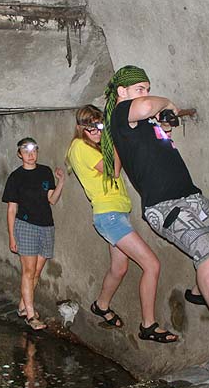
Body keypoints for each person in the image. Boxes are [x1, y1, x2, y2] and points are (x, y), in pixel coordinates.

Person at [100, 65, 209, 353]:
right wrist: (166, 102)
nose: (145, 93)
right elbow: (144, 106)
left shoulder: (144, 123)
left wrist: (163, 128)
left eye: (148, 88)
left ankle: (200, 291)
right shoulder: (120, 114)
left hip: (191, 197)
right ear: (122, 92)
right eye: (140, 88)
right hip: (165, 206)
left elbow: (157, 145)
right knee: (208, 252)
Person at [65, 105, 173, 342]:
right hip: (109, 216)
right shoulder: (79, 147)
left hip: (116, 213)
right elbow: (113, 170)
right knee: (152, 265)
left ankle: (101, 305)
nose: (96, 131)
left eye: (99, 126)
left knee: (119, 268)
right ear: (80, 128)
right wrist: (115, 137)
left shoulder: (92, 146)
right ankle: (148, 325)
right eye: (90, 127)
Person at [1, 137, 65, 330]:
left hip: (46, 226)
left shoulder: (45, 172)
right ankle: (30, 315)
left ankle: (23, 306)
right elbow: (12, 209)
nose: (30, 155)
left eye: (33, 150)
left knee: (36, 271)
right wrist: (12, 236)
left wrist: (61, 182)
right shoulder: (15, 177)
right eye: (26, 151)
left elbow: (52, 199)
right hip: (26, 226)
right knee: (28, 272)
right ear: (19, 154)